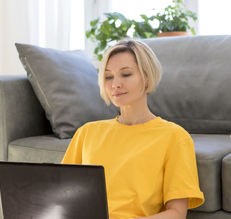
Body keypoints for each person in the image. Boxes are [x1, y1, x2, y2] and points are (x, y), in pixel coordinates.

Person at [62, 39, 204, 219]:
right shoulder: (87, 133)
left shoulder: (174, 137)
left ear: (146, 77)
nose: (115, 84)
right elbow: (62, 197)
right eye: (108, 76)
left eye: (126, 74)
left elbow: (176, 213)